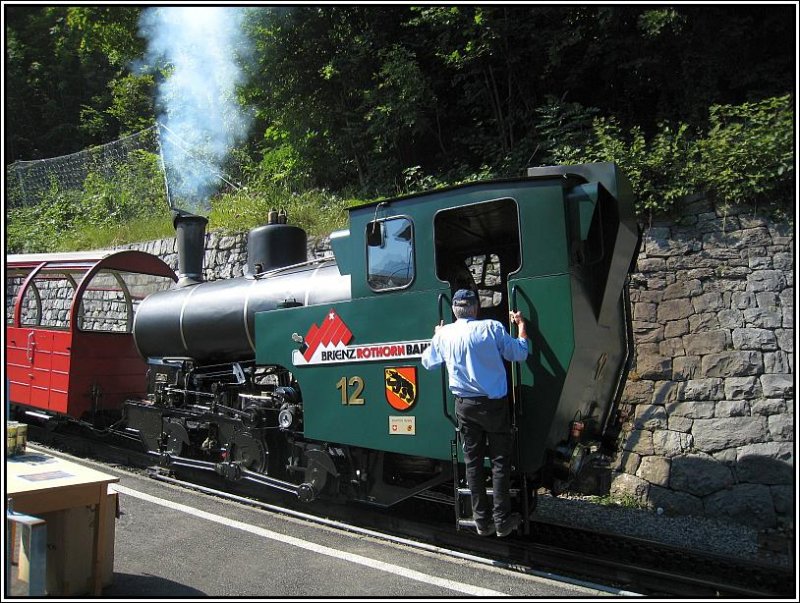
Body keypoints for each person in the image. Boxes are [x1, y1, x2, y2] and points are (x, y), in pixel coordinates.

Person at [421, 288, 529, 537]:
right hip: (494, 406)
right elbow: (519, 353)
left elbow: (428, 362)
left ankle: (481, 521)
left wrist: (437, 335)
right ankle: (502, 520)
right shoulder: (491, 327)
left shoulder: (445, 334)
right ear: (476, 307)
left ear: (453, 310)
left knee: (473, 463)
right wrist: (521, 325)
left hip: (465, 407)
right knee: (501, 462)